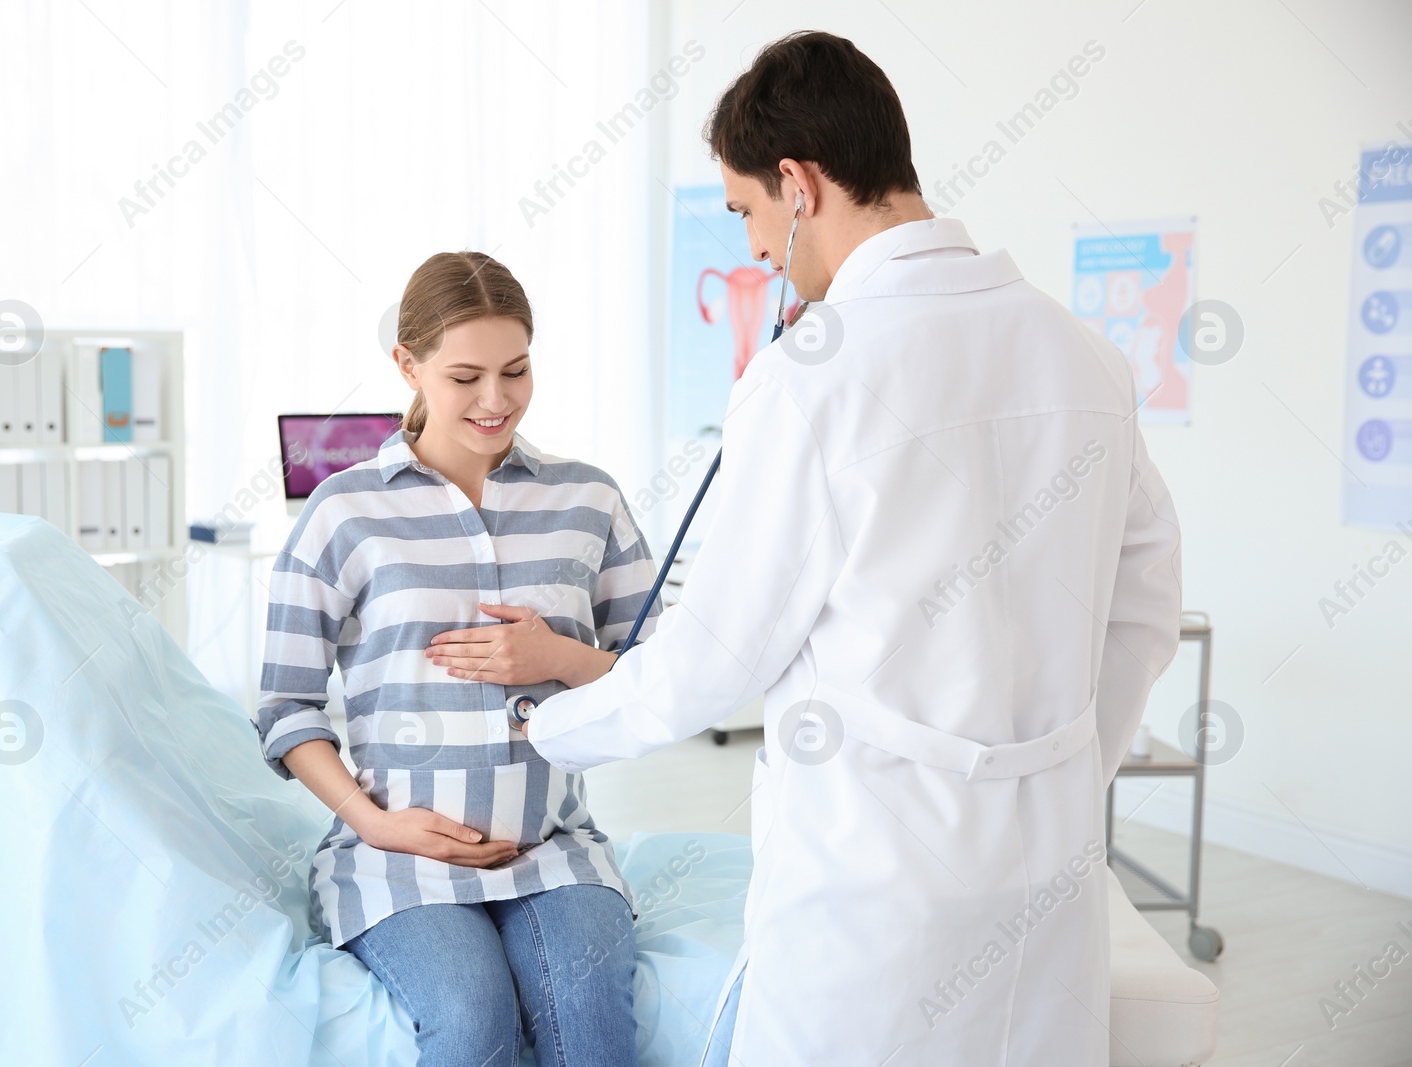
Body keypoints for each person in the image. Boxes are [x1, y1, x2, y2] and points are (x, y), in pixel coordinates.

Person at [522, 30, 1182, 1066]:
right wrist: (1052, 767)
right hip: (1047, 869)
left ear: (798, 183)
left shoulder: (807, 382)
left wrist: (550, 727)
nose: (746, 247)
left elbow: (716, 657)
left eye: (743, 211)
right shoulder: (1083, 353)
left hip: (871, 900)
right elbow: (1144, 600)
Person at [254, 251, 658, 1067]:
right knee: (473, 1020)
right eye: (465, 374)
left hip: (553, 849)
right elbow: (285, 707)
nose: (495, 399)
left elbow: (659, 670)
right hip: (393, 857)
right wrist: (376, 823)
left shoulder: (588, 499)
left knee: (590, 1023)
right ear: (407, 365)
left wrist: (557, 655)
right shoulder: (344, 510)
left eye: (516, 369)